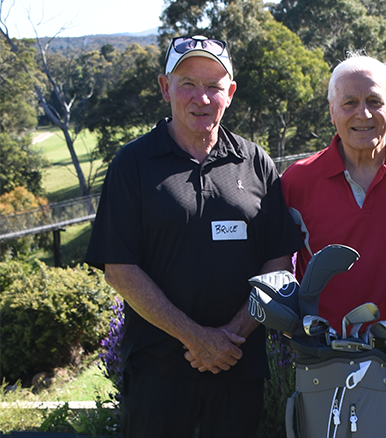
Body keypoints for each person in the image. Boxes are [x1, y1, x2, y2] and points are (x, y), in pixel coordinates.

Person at [85, 35, 303, 438]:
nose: (201, 98)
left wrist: (231, 336)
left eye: (214, 86)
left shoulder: (256, 163)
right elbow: (118, 268)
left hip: (239, 365)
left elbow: (277, 262)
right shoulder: (132, 164)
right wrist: (197, 338)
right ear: (165, 87)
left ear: (231, 93)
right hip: (157, 373)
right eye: (187, 83)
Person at [280, 54, 386, 438]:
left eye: (374, 101)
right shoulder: (297, 181)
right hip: (323, 358)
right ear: (332, 111)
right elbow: (278, 266)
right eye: (350, 102)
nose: (363, 113)